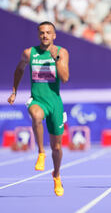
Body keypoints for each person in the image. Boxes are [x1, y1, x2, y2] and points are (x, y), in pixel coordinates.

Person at [8, 21, 69, 196]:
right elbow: (19, 70)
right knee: (35, 115)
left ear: (54, 35)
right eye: (42, 32)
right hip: (38, 100)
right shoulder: (29, 53)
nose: (45, 35)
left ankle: (56, 175)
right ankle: (41, 152)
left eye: (48, 32)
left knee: (57, 148)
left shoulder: (62, 52)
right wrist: (14, 91)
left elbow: (64, 78)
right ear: (38, 35)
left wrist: (55, 57)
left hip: (55, 103)